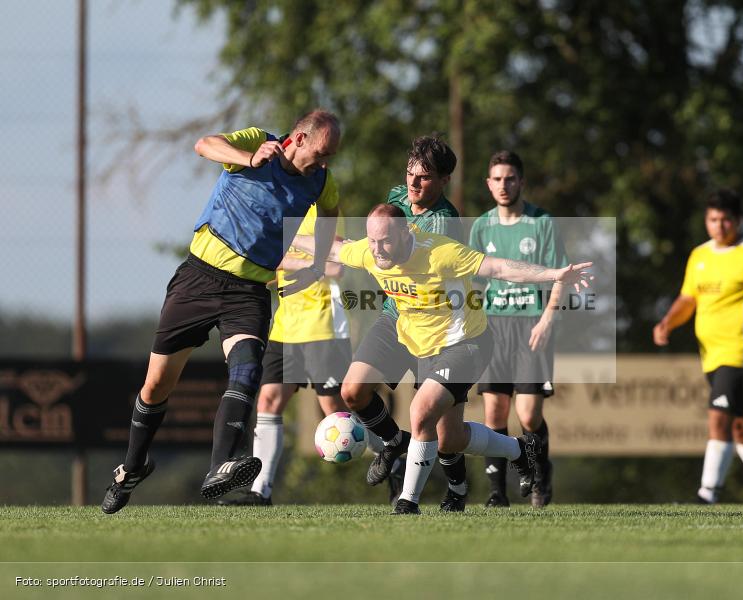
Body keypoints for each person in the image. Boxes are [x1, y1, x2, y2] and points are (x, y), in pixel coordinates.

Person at [101, 110, 342, 514]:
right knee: (156, 385)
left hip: (247, 293)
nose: (324, 162)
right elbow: (203, 144)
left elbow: (331, 212)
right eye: (320, 152)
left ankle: (221, 466)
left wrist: (316, 262)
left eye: (330, 156)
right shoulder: (254, 142)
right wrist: (248, 157)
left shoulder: (320, 181)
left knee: (247, 369)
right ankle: (132, 466)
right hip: (197, 279)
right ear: (298, 139)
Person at [287, 204, 593, 514]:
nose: (377, 250)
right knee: (450, 438)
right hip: (419, 341)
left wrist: (556, 275)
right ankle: (519, 449)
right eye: (372, 241)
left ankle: (408, 501)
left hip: (465, 343)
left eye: (385, 241)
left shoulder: (441, 253)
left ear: (405, 235)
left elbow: (499, 268)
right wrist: (287, 235)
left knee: (420, 412)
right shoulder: (371, 250)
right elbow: (336, 250)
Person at [290, 135, 469, 511]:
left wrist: (348, 249)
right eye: (409, 174)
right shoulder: (396, 198)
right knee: (354, 391)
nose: (413, 183)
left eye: (423, 177)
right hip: (395, 317)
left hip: (436, 329)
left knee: (446, 434)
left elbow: (393, 254)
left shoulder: (446, 222)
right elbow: (379, 238)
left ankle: (458, 488)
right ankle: (392, 442)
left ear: (443, 180)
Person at [653, 189, 743, 504]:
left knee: (718, 418)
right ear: (706, 221)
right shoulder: (699, 256)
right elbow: (689, 299)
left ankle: (707, 494)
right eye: (714, 220)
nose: (720, 226)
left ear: (738, 221)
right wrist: (667, 323)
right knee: (742, 426)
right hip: (710, 355)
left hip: (740, 351)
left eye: (726, 219)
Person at [218, 205, 351, 506]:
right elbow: (261, 262)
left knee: (335, 411)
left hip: (322, 323)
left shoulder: (322, 209)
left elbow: (336, 265)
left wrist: (284, 257)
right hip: (285, 327)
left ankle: (392, 451)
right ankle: (260, 492)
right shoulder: (277, 208)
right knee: (268, 401)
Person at [469, 150, 568, 508]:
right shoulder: (481, 226)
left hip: (531, 326)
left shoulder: (541, 222)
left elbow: (561, 276)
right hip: (493, 328)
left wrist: (547, 319)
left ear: (521, 181)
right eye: (497, 179)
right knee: (494, 414)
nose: (503, 185)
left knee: (528, 415)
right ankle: (498, 493)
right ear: (488, 184)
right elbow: (473, 282)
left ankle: (541, 474)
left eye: (510, 178)